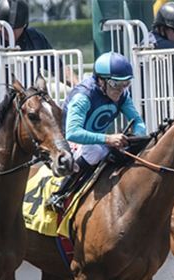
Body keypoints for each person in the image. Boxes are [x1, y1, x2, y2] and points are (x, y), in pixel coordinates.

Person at [46, 52, 146, 212]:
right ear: (101, 80)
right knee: (95, 151)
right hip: (70, 143)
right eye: (115, 84)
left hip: (98, 141)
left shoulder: (122, 95)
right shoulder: (83, 97)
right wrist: (108, 138)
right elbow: (72, 133)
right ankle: (60, 193)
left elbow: (138, 122)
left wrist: (137, 136)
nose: (120, 89)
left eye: (125, 83)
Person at [0, 0, 77, 85]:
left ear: (25, 25)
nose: (10, 32)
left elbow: (59, 68)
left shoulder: (35, 38)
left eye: (16, 28)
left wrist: (81, 88)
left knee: (41, 83)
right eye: (5, 27)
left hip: (30, 94)